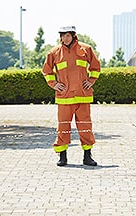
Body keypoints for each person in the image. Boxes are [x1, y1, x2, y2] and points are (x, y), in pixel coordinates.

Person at [42, 23, 101, 166]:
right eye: (62, 36)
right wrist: (54, 84)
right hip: (64, 98)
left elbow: (95, 67)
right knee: (63, 127)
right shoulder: (54, 52)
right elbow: (47, 71)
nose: (65, 38)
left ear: (73, 36)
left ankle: (88, 156)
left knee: (85, 126)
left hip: (83, 96)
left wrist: (91, 80)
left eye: (68, 35)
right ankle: (62, 156)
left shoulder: (86, 49)